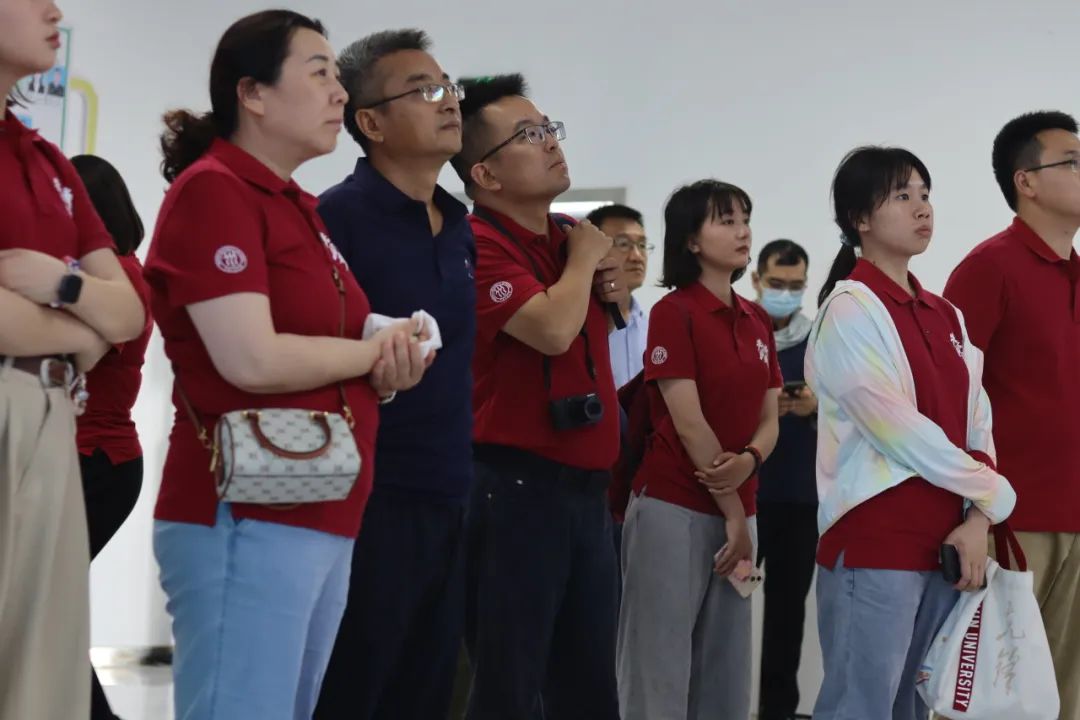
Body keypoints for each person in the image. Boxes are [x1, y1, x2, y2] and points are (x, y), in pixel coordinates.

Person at [143, 11, 433, 719]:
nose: (340, 92)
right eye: (319, 73)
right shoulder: (215, 191)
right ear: (253, 93)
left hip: (320, 501)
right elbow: (251, 357)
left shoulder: (296, 207)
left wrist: (390, 362)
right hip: (246, 505)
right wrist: (372, 352)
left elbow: (315, 346)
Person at [807, 146, 1016, 719]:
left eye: (925, 195)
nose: (923, 208)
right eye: (902, 196)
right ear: (860, 218)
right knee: (861, 706)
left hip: (947, 542)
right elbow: (899, 430)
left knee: (916, 708)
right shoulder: (849, 309)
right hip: (878, 540)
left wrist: (979, 519)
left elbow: (978, 421)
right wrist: (994, 492)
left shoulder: (946, 314)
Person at [450, 73, 624, 720]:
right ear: (485, 174)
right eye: (528, 135)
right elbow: (551, 331)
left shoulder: (566, 236)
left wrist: (590, 265)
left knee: (590, 690)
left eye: (549, 128)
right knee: (510, 685)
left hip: (588, 493)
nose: (551, 142)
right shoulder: (477, 245)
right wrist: (583, 261)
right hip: (514, 491)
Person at [314, 29, 474, 720]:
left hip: (453, 487)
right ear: (371, 123)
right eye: (424, 90)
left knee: (428, 691)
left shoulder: (461, 225)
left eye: (448, 87)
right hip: (370, 493)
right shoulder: (336, 218)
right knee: (357, 684)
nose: (449, 102)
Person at [0, 2, 146, 717]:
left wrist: (61, 289)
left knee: (41, 662)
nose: (54, 10)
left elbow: (127, 312)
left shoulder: (46, 157)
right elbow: (100, 324)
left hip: (54, 414)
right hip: (23, 403)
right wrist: (79, 331)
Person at [616, 180, 781, 720]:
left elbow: (769, 417)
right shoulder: (675, 311)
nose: (742, 231)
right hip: (674, 506)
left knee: (726, 672)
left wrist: (750, 461)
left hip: (741, 509)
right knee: (658, 666)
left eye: (745, 219)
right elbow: (689, 423)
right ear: (691, 240)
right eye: (726, 221)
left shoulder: (757, 318)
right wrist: (733, 510)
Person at [944, 110, 1080, 720]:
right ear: (1026, 181)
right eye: (1072, 162)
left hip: (1076, 514)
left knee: (1064, 699)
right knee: (990, 699)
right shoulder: (989, 268)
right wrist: (975, 510)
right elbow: (949, 399)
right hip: (1010, 521)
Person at [72, 153, 154, 720]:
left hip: (98, 462)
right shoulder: (104, 277)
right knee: (43, 603)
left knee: (44, 603)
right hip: (86, 459)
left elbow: (77, 353)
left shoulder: (121, 279)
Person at [750, 238, 817, 720]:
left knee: (787, 617)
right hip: (744, 494)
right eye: (776, 283)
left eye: (795, 286)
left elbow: (850, 416)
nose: (786, 294)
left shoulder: (818, 341)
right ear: (756, 279)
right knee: (722, 609)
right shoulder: (738, 332)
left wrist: (816, 407)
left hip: (800, 498)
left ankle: (778, 711)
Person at [586, 203, 651, 388]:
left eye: (642, 245)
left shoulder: (652, 328)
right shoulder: (577, 326)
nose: (637, 256)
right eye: (623, 244)